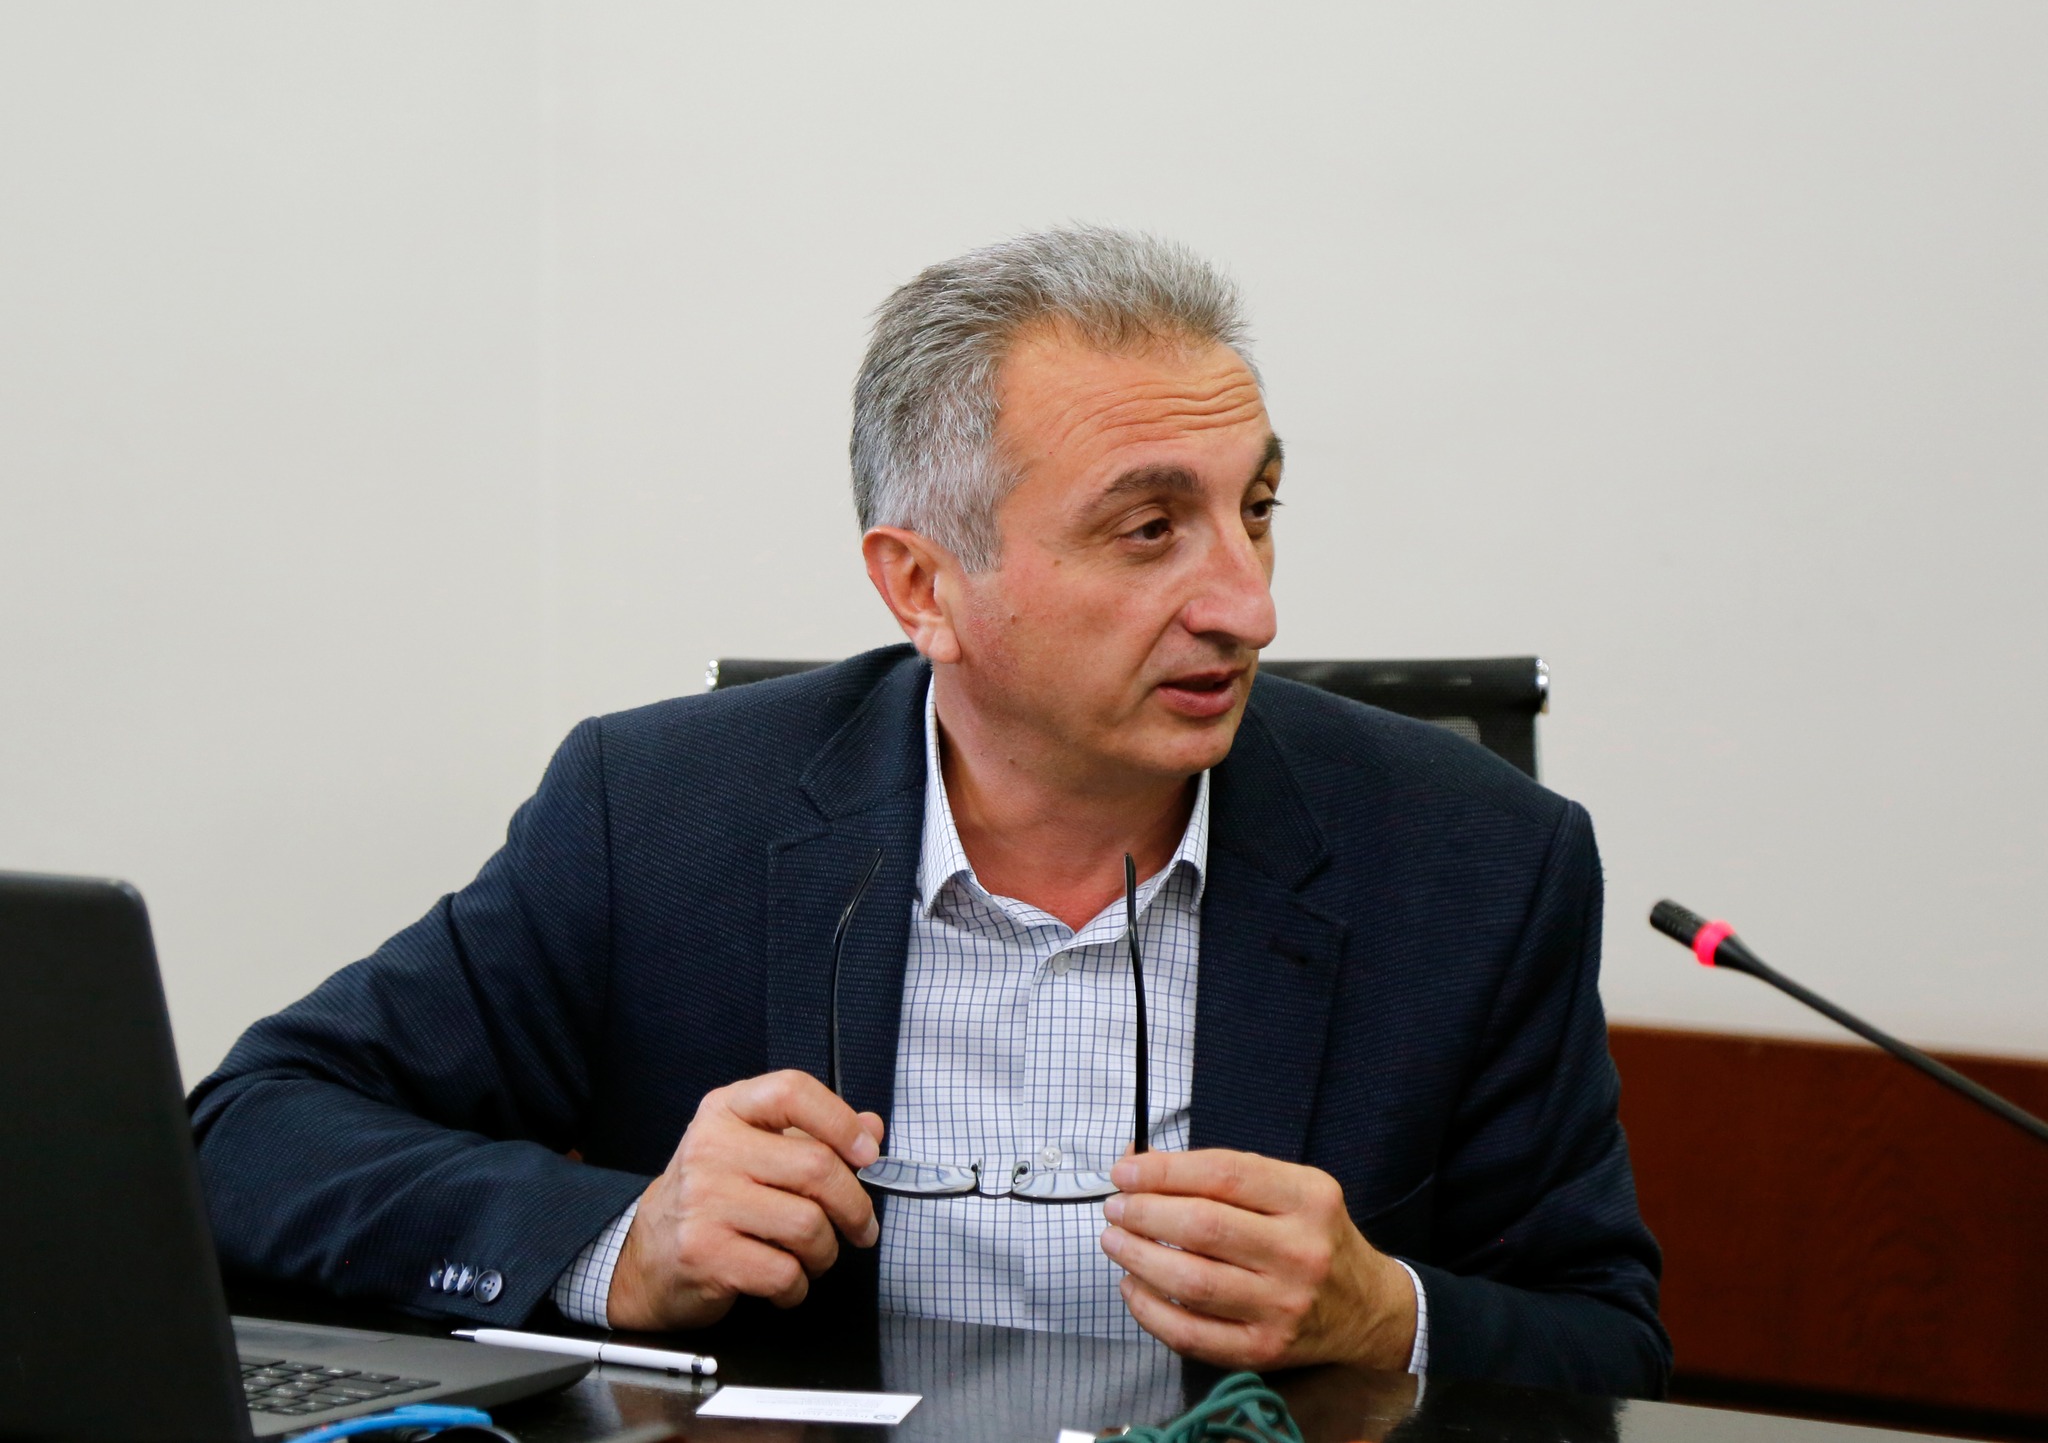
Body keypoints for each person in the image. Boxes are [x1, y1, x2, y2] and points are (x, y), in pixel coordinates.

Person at [191, 227, 1670, 1396]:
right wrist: (620, 1245)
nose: (1247, 605)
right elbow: (247, 1139)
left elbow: (1608, 1350)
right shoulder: (660, 819)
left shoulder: (1476, 860)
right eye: (1149, 528)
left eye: (1258, 509)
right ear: (923, 586)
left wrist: (1383, 1313)